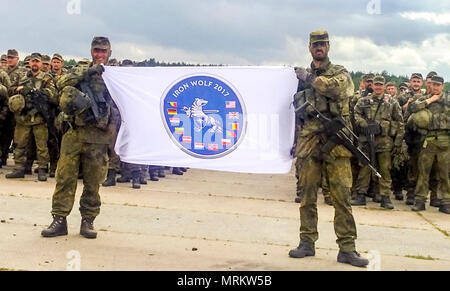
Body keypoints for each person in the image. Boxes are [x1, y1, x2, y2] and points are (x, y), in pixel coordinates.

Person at [289, 30, 368, 267]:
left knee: (342, 197)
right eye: (315, 44)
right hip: (309, 141)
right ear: (310, 47)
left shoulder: (340, 73)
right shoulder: (298, 77)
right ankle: (306, 242)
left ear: (329, 47)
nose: (319, 48)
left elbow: (338, 89)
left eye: (323, 44)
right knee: (307, 195)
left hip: (336, 141)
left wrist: (310, 79)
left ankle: (347, 247)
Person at [41, 36, 120, 238]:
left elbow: (124, 103)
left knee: (93, 182)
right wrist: (88, 72)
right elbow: (62, 82)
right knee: (65, 178)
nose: (99, 54)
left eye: (103, 51)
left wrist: (114, 128)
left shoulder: (117, 74)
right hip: (74, 133)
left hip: (98, 137)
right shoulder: (81, 69)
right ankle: (59, 219)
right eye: (96, 51)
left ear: (110, 52)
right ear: (91, 51)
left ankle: (88, 221)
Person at [351, 75, 404, 209]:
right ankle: (360, 194)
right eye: (376, 84)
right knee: (365, 168)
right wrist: (363, 123)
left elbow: (399, 121)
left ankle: (385, 197)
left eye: (381, 85)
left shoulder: (391, 102)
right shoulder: (364, 101)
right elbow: (356, 113)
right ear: (372, 86)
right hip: (367, 140)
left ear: (384, 86)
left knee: (385, 169)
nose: (378, 87)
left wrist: (397, 142)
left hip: (384, 141)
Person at [6, 53, 55, 181]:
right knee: (19, 144)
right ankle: (19, 168)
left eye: (37, 62)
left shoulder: (46, 78)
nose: (34, 64)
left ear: (40, 63)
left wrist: (33, 91)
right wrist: (18, 89)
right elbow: (10, 90)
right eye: (33, 61)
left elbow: (51, 94)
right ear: (30, 63)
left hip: (39, 118)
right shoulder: (22, 77)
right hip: (22, 118)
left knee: (41, 146)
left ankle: (42, 169)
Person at [408, 75, 449, 214]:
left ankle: (445, 201)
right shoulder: (424, 98)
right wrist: (430, 100)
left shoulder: (448, 100)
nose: (436, 87)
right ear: (429, 85)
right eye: (433, 85)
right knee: (423, 172)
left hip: (445, 140)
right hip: (428, 140)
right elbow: (412, 108)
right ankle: (420, 200)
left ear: (443, 86)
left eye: (439, 85)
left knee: (444, 173)